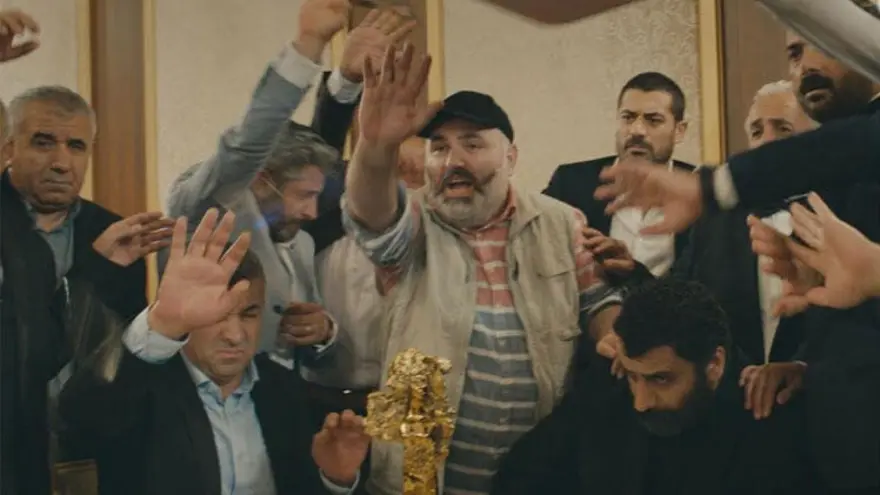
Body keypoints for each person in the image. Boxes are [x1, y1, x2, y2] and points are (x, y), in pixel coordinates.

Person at [342, 44, 622, 494]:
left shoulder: (561, 222)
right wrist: (375, 147)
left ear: (511, 157)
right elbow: (368, 213)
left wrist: (613, 335)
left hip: (536, 476)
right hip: (421, 479)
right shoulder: (412, 223)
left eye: (472, 144)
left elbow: (598, 301)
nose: (453, 161)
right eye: (439, 148)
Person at [164, 0, 414, 369]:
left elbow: (308, 356)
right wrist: (308, 45)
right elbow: (247, 145)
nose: (312, 212)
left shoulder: (302, 242)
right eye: (304, 196)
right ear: (262, 178)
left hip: (283, 398)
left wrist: (323, 333)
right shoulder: (209, 207)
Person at [59, 209, 371, 495]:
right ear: (184, 312)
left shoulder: (282, 390)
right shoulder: (142, 387)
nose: (235, 336)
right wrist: (161, 325)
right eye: (216, 316)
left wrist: (335, 480)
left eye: (249, 314)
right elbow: (78, 417)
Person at [0, 10, 174, 493]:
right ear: (9, 147)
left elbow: (120, 349)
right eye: (43, 143)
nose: (61, 161)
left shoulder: (112, 233)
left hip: (88, 443)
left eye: (76, 146)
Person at [492, 279, 821, 495]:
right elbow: (522, 475)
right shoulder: (609, 388)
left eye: (660, 379)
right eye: (633, 376)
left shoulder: (767, 422)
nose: (641, 402)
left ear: (715, 363)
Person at [668, 80, 816, 367]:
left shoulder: (845, 214)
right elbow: (678, 301)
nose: (766, 142)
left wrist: (800, 368)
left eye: (783, 128)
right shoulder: (713, 223)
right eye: (757, 131)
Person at [544, 72, 694, 282]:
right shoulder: (571, 182)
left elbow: (701, 289)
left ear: (679, 131)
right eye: (628, 117)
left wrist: (634, 273)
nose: (637, 130)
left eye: (653, 120)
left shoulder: (696, 190)